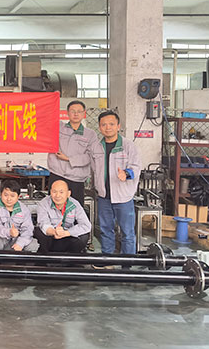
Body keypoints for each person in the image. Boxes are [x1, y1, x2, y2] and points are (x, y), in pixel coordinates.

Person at [90, 109, 142, 255]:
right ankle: (108, 261)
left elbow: (136, 167)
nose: (108, 127)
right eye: (104, 125)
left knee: (127, 233)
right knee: (106, 230)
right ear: (99, 127)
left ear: (118, 126)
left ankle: (127, 264)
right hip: (104, 197)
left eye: (111, 124)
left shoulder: (128, 146)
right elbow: (94, 169)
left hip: (123, 197)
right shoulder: (96, 147)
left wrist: (126, 173)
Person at [46, 99, 97, 208]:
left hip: (76, 179)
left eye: (79, 111)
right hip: (57, 175)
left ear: (84, 113)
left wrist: (68, 158)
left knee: (74, 209)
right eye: (73, 111)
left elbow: (90, 156)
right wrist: (50, 99)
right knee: (53, 208)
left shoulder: (90, 134)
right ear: (67, 113)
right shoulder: (58, 127)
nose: (76, 114)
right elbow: (45, 119)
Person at [34, 178, 91, 255]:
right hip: (51, 237)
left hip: (67, 235)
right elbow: (43, 223)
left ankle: (71, 259)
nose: (57, 195)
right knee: (38, 231)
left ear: (68, 193)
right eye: (54, 192)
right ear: (50, 192)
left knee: (84, 236)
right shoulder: (43, 203)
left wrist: (66, 233)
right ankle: (45, 259)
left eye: (61, 192)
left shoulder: (75, 204)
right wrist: (54, 232)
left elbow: (86, 225)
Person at [0, 179, 37, 252]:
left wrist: (20, 243)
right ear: (1, 194)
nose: (9, 199)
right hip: (1, 237)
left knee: (33, 245)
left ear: (18, 197)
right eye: (6, 195)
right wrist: (9, 232)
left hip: (17, 239)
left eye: (12, 196)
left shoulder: (23, 209)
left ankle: (21, 259)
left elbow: (28, 229)